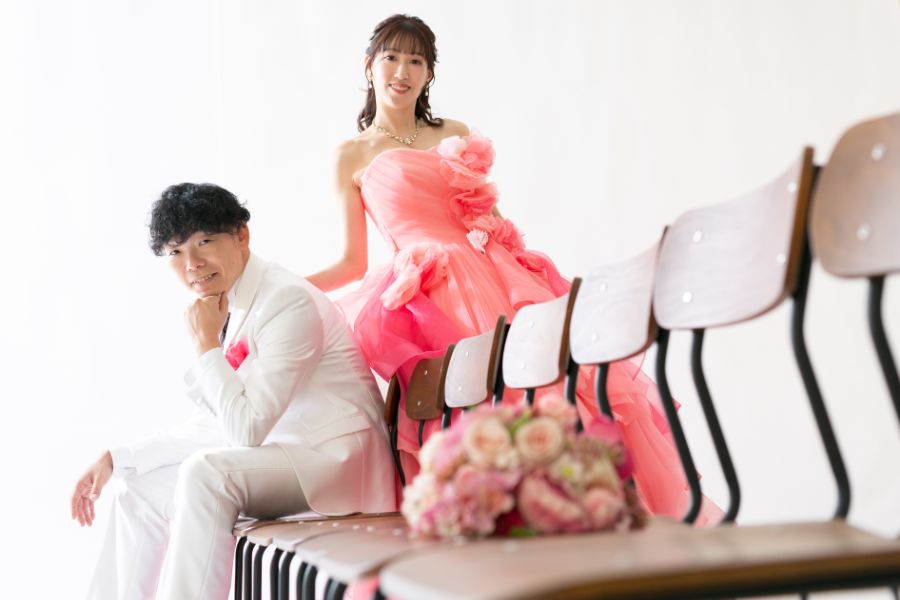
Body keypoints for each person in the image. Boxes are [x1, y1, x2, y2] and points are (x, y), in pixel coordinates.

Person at [307, 14, 720, 524]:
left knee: (549, 383)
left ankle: (590, 509)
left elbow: (489, 217)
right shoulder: (351, 156)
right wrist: (283, 286)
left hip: (493, 272)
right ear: (369, 65)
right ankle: (501, 518)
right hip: (428, 291)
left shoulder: (453, 133)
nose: (402, 71)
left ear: (429, 73)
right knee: (470, 401)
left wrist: (517, 259)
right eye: (391, 57)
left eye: (416, 60)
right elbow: (354, 262)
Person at [71, 183, 396, 599]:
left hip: (338, 461)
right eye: (175, 251)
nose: (192, 263)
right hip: (288, 454)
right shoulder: (231, 303)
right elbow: (217, 425)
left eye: (205, 242)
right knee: (136, 489)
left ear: (242, 235)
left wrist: (206, 347)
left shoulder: (286, 300)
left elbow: (245, 431)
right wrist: (117, 459)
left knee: (207, 473)